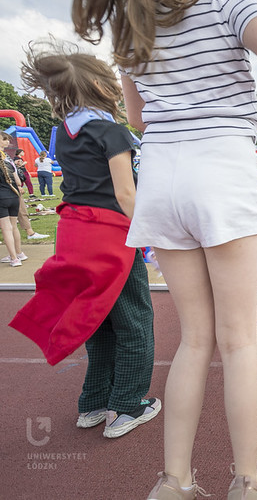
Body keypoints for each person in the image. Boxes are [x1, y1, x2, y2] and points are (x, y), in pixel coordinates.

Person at [72, 0, 257, 497]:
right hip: (220, 168)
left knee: (193, 340)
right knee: (239, 339)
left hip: (162, 176)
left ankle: (173, 479)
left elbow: (138, 113)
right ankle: (245, 481)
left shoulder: (132, 16)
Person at [11, 40, 159, 440]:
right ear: (102, 88)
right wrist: (151, 239)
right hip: (110, 236)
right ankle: (126, 406)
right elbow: (127, 194)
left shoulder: (63, 133)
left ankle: (93, 402)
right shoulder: (113, 133)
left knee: (99, 320)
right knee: (134, 321)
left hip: (74, 233)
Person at [0, 150, 23, 266]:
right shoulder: (8, 164)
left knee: (6, 228)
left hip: (2, 198)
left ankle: (14, 258)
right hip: (14, 196)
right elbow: (18, 181)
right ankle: (19, 253)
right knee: (13, 226)